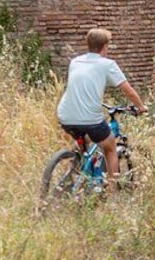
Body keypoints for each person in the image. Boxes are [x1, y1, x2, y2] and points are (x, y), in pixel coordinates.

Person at [56, 28, 148, 192]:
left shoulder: (75, 62)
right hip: (90, 119)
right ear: (105, 46)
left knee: (84, 145)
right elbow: (128, 91)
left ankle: (80, 173)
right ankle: (112, 193)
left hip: (65, 115)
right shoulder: (107, 64)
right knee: (110, 146)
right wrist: (141, 107)